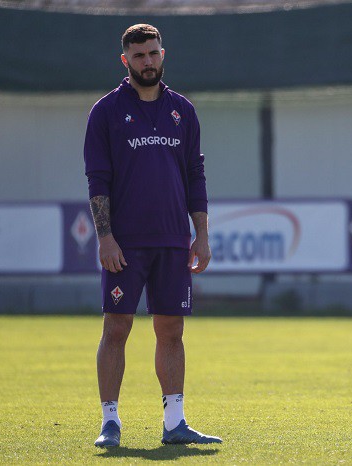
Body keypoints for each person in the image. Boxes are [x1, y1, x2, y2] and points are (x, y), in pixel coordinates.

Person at [84, 24, 222, 447]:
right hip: (125, 244)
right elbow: (97, 179)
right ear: (125, 60)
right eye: (139, 55)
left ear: (164, 54)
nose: (147, 61)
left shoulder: (183, 110)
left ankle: (175, 422)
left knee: (171, 330)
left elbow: (195, 175)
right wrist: (105, 237)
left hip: (172, 240)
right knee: (116, 328)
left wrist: (201, 234)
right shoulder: (106, 111)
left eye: (153, 53)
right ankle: (110, 423)